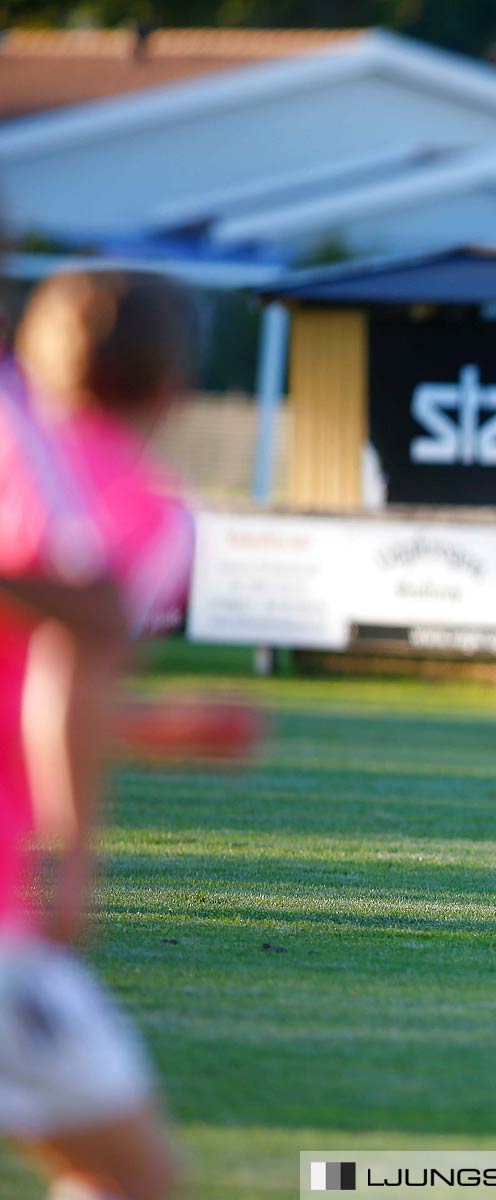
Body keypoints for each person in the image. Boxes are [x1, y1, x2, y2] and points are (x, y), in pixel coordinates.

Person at [0, 269, 200, 1200]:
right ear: (173, 388)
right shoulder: (146, 511)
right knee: (130, 1181)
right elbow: (62, 669)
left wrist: (148, 726)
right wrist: (69, 865)